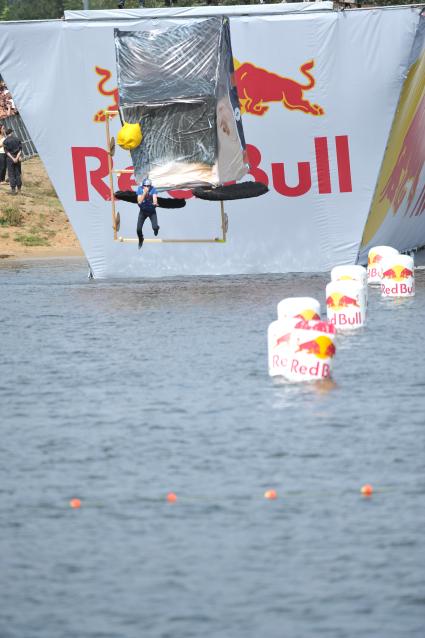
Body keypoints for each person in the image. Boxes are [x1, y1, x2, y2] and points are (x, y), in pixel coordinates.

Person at [136, 177, 159, 249]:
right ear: (143, 186)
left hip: (151, 211)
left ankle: (156, 229)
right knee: (138, 229)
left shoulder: (153, 189)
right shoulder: (140, 189)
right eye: (145, 186)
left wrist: (155, 203)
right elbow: (139, 201)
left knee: (154, 227)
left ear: (150, 186)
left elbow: (155, 198)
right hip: (143, 212)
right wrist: (145, 193)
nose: (146, 187)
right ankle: (141, 239)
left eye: (148, 186)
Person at [3, 128, 22, 195]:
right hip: (17, 158)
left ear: (6, 133)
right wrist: (17, 157)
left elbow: (6, 152)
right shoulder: (17, 139)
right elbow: (20, 150)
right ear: (11, 133)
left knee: (11, 174)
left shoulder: (5, 141)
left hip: (10, 159)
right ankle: (19, 189)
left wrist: (12, 158)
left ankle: (13, 190)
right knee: (17, 173)